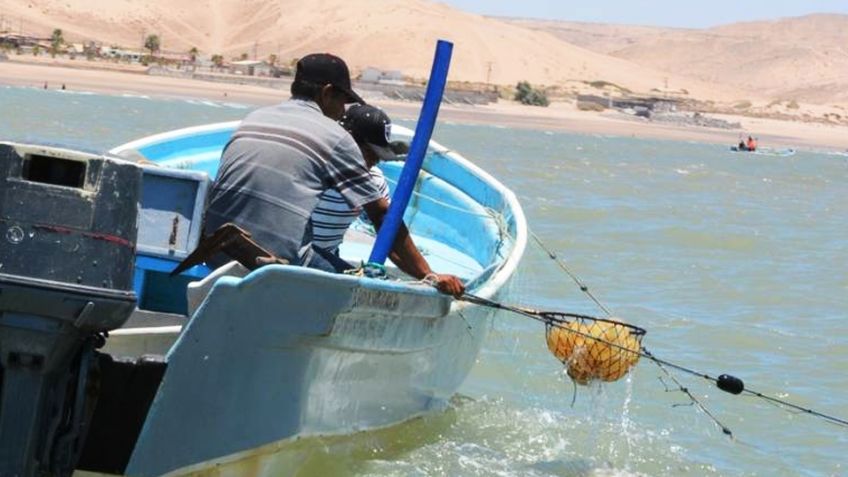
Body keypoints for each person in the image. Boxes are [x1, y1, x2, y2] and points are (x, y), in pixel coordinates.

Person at [203, 53, 464, 297]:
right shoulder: (334, 136)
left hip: (215, 250)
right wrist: (428, 275)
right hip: (274, 264)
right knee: (364, 290)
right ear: (327, 93)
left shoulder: (254, 118)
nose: (342, 112)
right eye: (342, 101)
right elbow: (382, 216)